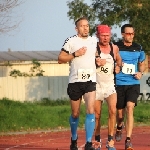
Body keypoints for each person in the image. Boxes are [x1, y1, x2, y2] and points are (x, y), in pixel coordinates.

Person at [58, 16, 97, 150]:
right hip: (75, 82)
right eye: (82, 26)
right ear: (77, 28)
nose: (85, 28)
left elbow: (97, 54)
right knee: (75, 114)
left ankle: (88, 143)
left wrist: (99, 60)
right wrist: (75, 54)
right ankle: (74, 139)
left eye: (87, 25)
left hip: (90, 81)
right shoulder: (71, 41)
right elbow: (60, 58)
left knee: (91, 110)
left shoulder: (94, 40)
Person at [114, 24, 146, 150]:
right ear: (123, 34)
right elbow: (111, 61)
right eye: (128, 34)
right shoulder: (116, 47)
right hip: (119, 83)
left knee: (130, 107)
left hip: (133, 83)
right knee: (120, 115)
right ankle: (119, 126)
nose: (131, 36)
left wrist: (141, 73)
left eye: (132, 33)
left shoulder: (138, 47)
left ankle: (128, 140)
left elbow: (142, 64)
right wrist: (115, 68)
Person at [94, 25, 122, 150]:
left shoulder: (114, 48)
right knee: (97, 115)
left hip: (110, 86)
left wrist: (118, 67)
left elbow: (119, 60)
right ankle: (97, 140)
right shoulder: (93, 48)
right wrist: (96, 61)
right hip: (96, 86)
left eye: (107, 35)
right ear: (98, 36)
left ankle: (110, 141)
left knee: (112, 111)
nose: (105, 38)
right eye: (103, 35)